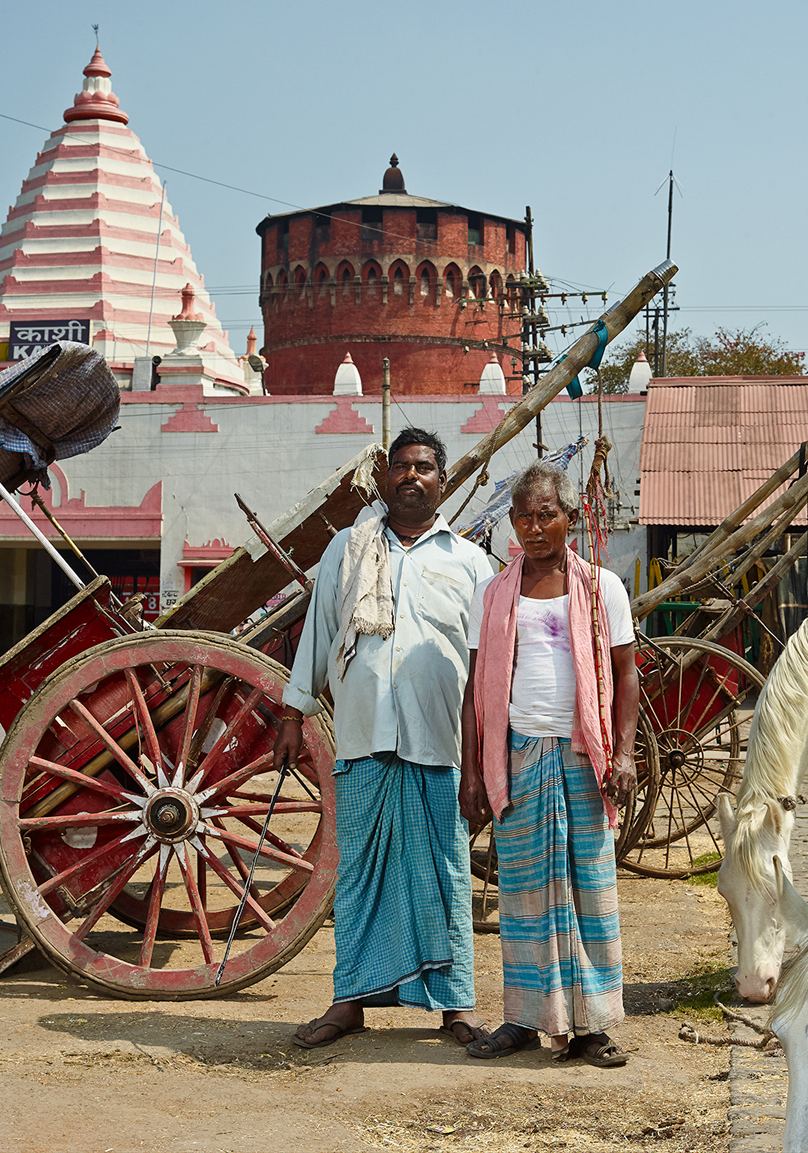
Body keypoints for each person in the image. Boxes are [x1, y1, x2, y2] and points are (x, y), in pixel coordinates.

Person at [273, 427, 494, 1051]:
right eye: (401, 466)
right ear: (384, 477)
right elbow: (316, 635)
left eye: (424, 467)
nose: (411, 477)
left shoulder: (469, 562)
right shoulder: (347, 549)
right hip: (363, 737)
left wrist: (488, 751)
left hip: (439, 743)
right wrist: (292, 714)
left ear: (441, 482)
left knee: (445, 872)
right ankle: (350, 1002)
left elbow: (487, 662)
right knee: (361, 875)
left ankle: (454, 1009)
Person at [458, 461, 639, 1066]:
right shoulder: (496, 592)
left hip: (584, 759)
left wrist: (628, 752)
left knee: (591, 891)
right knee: (524, 896)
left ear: (569, 518)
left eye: (546, 515)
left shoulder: (602, 588)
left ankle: (591, 1027)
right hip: (518, 757)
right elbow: (476, 688)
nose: (534, 528)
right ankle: (522, 1020)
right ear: (512, 523)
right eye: (524, 517)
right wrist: (473, 772)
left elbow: (625, 673)